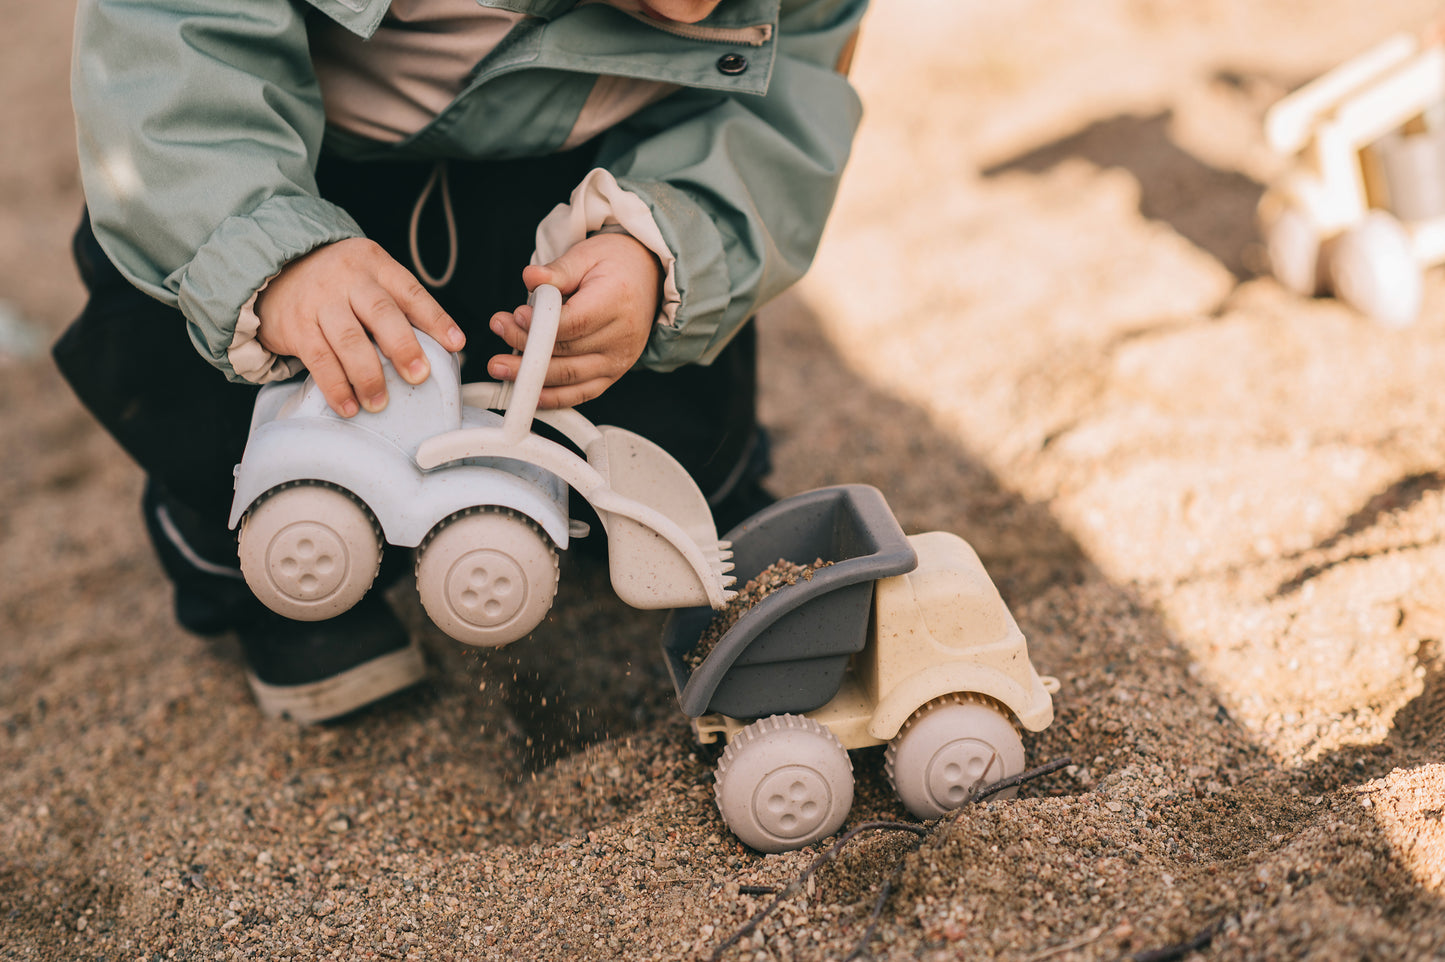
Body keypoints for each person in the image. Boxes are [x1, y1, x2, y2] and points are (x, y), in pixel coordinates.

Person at [55, 0, 868, 723]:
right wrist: (265, 246)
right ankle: (259, 582)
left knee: (671, 404)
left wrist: (660, 244)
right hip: (305, 175)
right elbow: (170, 50)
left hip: (580, 192)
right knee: (219, 349)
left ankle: (687, 502)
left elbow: (787, 101)